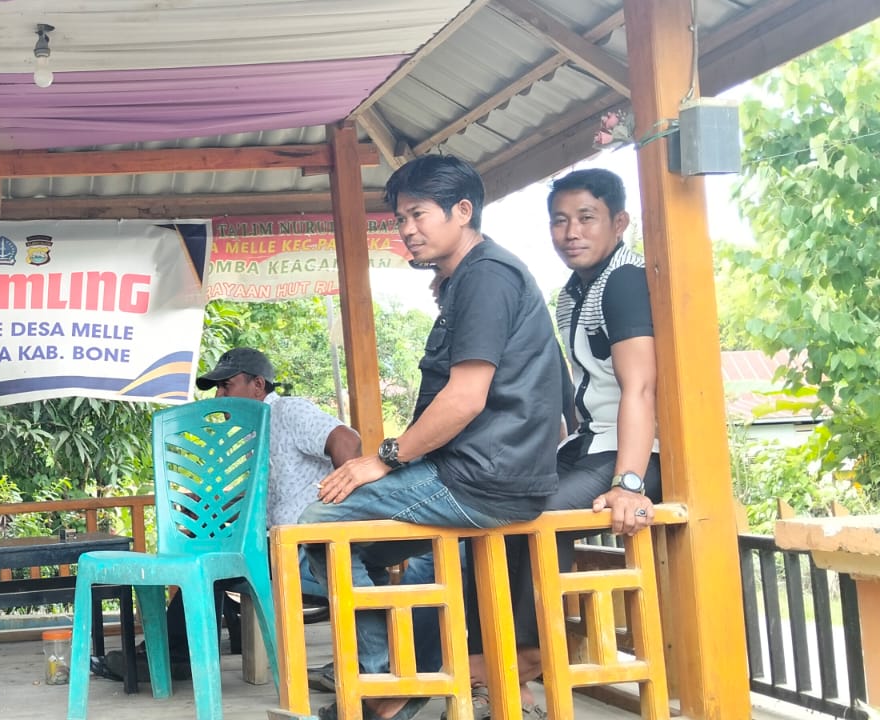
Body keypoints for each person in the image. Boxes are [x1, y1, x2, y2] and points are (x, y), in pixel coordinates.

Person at [298, 154, 563, 720]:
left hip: (479, 479)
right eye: (400, 219)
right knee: (357, 546)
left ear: (462, 211)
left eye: (418, 214)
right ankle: (398, 678)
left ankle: (383, 688)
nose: (407, 229)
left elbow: (465, 399)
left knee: (315, 524)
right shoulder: (472, 277)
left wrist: (386, 459)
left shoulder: (487, 277)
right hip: (487, 473)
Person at [459, 168, 662, 719]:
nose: (571, 232)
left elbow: (641, 387)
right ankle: (498, 669)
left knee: (530, 513)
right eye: (559, 220)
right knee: (485, 507)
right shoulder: (575, 292)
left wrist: (628, 483)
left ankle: (520, 658)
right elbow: (575, 390)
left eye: (586, 218)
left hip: (633, 454)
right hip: (589, 444)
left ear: (619, 222)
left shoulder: (623, 281)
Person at [200, 348, 448, 692]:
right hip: (275, 545)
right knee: (205, 561)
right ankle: (180, 657)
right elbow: (263, 499)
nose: (219, 396)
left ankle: (376, 669)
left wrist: (347, 509)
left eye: (226, 386)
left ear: (257, 385)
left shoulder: (287, 411)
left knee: (211, 565)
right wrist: (210, 507)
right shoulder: (250, 434)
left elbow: (346, 439)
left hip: (306, 548)